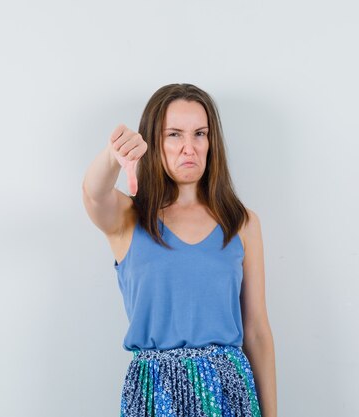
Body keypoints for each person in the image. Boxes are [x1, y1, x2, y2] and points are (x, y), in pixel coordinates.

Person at [82, 83, 277, 417]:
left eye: (200, 133)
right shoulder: (128, 218)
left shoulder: (241, 222)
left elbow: (257, 331)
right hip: (154, 392)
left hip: (228, 393)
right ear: (153, 142)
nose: (189, 147)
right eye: (174, 134)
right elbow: (95, 194)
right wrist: (112, 157)